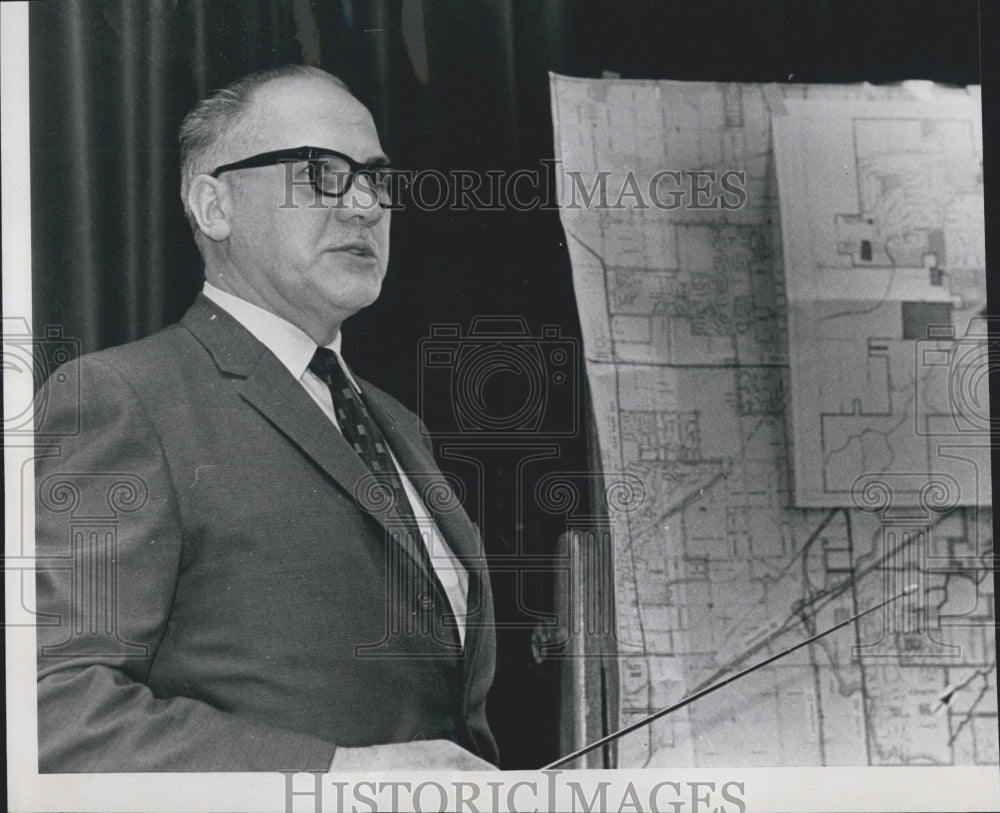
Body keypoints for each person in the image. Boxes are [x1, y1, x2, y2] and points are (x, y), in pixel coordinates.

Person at [34, 64, 498, 772]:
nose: (365, 205)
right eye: (320, 172)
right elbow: (54, 709)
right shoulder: (123, 397)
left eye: (377, 176)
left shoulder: (400, 426)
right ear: (213, 205)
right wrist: (338, 774)